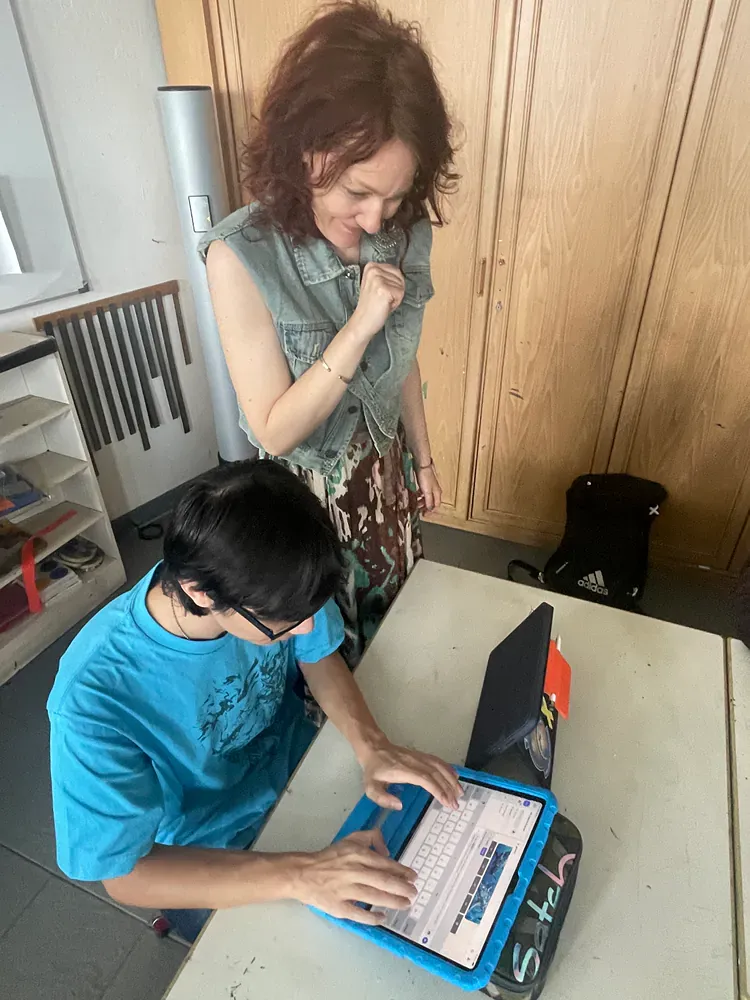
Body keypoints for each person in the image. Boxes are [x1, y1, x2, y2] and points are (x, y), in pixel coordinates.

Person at [47, 460, 461, 943]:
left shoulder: (273, 582)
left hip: (302, 778)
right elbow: (123, 875)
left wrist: (371, 746)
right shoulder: (93, 700)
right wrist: (302, 875)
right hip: (213, 854)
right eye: (285, 623)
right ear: (199, 593)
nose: (305, 627)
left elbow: (317, 654)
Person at [199, 0, 457, 664]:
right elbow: (276, 431)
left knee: (401, 642)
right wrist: (361, 324)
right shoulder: (241, 257)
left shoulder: (402, 232)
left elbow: (404, 357)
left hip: (387, 478)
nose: (378, 221)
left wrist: (422, 459)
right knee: (329, 664)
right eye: (358, 193)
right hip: (308, 507)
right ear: (304, 153)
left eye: (397, 198)